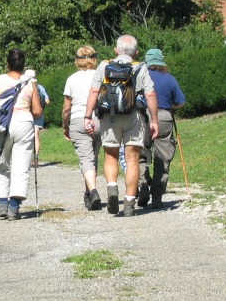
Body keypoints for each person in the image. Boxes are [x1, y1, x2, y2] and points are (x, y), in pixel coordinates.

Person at [84, 34, 159, 217]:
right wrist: (154, 120)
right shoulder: (141, 67)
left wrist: (87, 116)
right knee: (132, 159)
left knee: (111, 155)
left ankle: (112, 188)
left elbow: (94, 90)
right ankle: (129, 204)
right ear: (136, 52)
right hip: (134, 116)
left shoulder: (103, 65)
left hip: (110, 117)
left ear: (116, 50)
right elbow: (150, 95)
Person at [0, 48, 42, 221]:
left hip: (2, 124)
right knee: (21, 165)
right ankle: (14, 207)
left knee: (1, 163)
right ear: (23, 65)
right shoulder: (30, 83)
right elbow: (37, 111)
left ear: (7, 63)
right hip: (24, 122)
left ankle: (2, 203)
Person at [137, 49, 186, 209]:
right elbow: (180, 102)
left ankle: (143, 186)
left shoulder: (139, 77)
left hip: (142, 117)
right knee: (162, 158)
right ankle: (157, 195)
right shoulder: (170, 79)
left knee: (140, 155)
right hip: (164, 117)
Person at [62, 46, 102, 210]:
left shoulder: (72, 79)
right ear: (94, 59)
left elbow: (66, 108)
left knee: (86, 158)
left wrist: (65, 125)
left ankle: (92, 191)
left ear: (77, 60)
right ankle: (89, 194)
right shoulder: (100, 76)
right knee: (94, 157)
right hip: (99, 119)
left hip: (79, 120)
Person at [25, 69, 50, 164]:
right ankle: (36, 157)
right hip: (39, 113)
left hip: (27, 114)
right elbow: (47, 101)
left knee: (27, 136)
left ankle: (28, 157)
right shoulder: (40, 88)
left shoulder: (24, 88)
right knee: (36, 136)